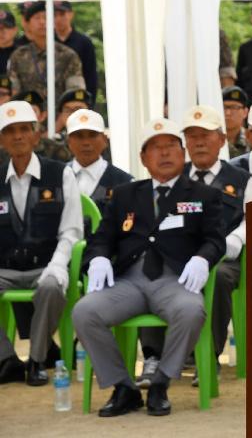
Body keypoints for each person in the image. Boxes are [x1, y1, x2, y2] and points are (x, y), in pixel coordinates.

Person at [72, 117, 226, 417]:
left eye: (170, 146)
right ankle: (123, 387)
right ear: (143, 158)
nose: (164, 153)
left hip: (176, 280)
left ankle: (160, 382)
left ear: (182, 154)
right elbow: (101, 238)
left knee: (191, 311)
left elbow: (215, 240)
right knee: (84, 312)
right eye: (155, 148)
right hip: (128, 281)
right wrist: (98, 258)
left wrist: (202, 258)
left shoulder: (203, 195)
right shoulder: (125, 194)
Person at [137, 106, 252, 388]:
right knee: (149, 270)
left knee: (220, 279)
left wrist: (236, 240)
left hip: (223, 257)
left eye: (205, 135)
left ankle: (209, 356)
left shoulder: (242, 180)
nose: (199, 143)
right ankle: (154, 355)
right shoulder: (171, 176)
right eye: (192, 137)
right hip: (177, 255)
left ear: (221, 140)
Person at [0, 101, 83, 386]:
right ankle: (7, 359)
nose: (18, 136)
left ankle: (37, 359)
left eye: (24, 129)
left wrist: (59, 265)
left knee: (51, 287)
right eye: (10, 131)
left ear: (37, 135)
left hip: (46, 266)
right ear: (1, 139)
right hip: (7, 270)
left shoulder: (60, 174)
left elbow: (72, 231)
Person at [7, 1, 86, 99]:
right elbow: (13, 92)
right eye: (37, 18)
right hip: (27, 112)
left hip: (62, 113)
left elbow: (76, 91)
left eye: (46, 17)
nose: (42, 22)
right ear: (27, 24)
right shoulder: (18, 56)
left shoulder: (68, 55)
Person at [65, 109, 133, 216]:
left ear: (105, 140)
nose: (86, 143)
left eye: (92, 135)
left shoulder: (124, 182)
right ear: (68, 142)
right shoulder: (56, 178)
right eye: (79, 136)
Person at [11, 91, 72, 162]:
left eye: (32, 111)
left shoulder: (55, 151)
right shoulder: (4, 151)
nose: (26, 118)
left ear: (42, 116)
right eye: (21, 112)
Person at [53, 1, 97, 97]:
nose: (58, 19)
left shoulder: (84, 42)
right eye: (54, 15)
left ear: (71, 15)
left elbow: (90, 75)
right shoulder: (46, 42)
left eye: (62, 14)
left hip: (77, 97)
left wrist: (88, 102)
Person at [221, 86, 249, 158]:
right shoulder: (210, 139)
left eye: (235, 107)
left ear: (245, 112)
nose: (228, 113)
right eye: (224, 107)